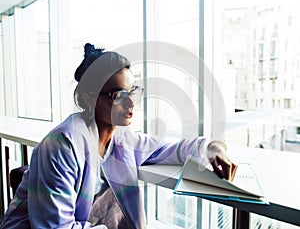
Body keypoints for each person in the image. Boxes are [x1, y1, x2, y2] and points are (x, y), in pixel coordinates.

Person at [0, 43, 237, 229]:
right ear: (88, 99)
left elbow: (172, 149)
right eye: (117, 94)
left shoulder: (123, 139)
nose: (131, 102)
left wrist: (212, 148)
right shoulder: (62, 145)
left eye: (132, 91)